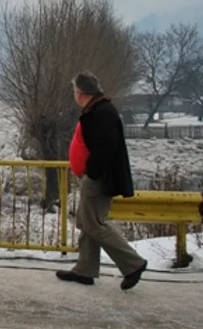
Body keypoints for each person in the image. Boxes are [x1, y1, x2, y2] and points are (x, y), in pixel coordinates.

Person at [57, 71, 147, 291]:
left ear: (80, 92)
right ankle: (85, 270)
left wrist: (92, 173)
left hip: (98, 180)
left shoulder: (101, 112)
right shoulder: (96, 109)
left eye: (75, 91)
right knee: (87, 223)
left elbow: (106, 148)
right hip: (95, 178)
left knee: (95, 225)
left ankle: (133, 264)